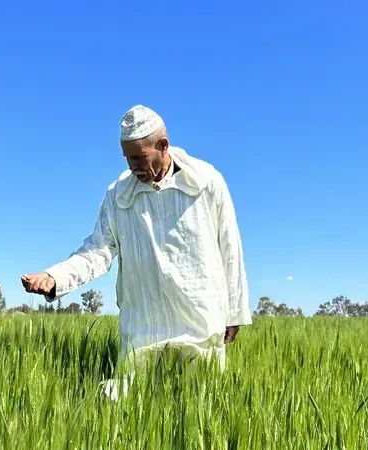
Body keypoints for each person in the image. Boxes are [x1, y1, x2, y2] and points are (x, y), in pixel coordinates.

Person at [21, 105, 252, 395]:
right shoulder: (119, 195)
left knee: (199, 407)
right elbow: (97, 249)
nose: (132, 167)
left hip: (199, 322)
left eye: (139, 157)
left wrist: (233, 312)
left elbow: (230, 247)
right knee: (132, 407)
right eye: (127, 158)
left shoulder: (206, 182)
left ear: (163, 146)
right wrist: (55, 277)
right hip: (144, 325)